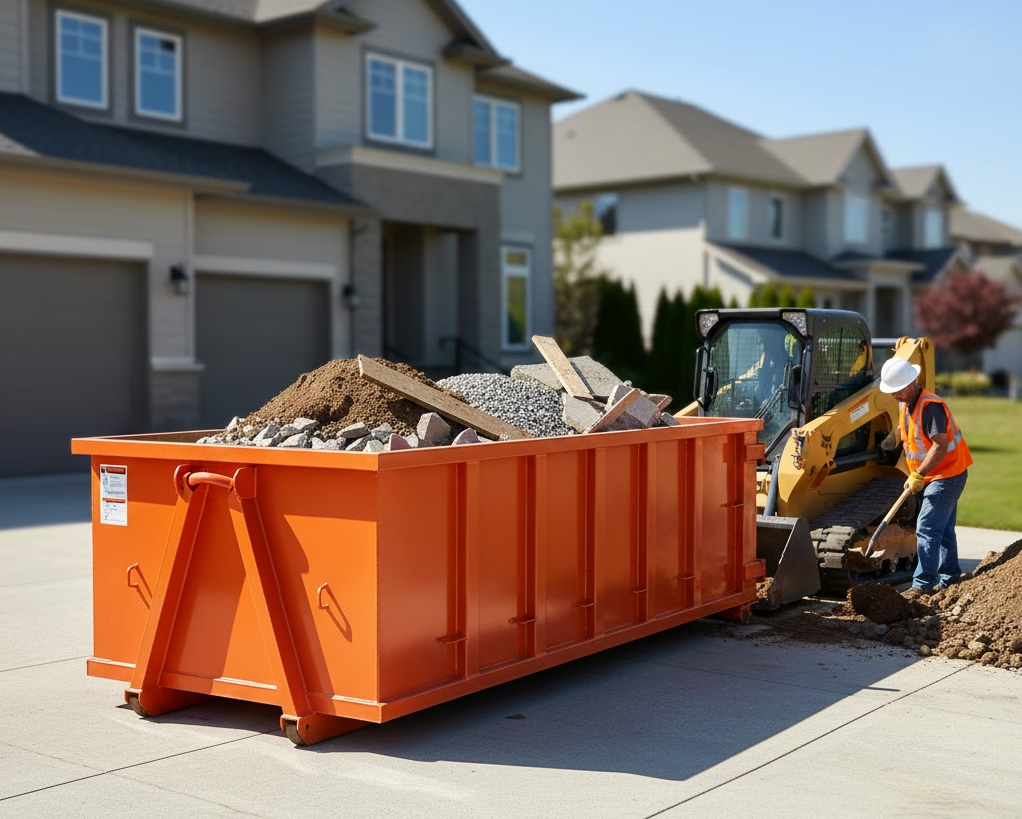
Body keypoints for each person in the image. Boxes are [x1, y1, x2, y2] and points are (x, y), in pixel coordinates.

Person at [879, 358, 973, 596]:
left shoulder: (930, 406)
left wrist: (918, 474)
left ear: (912, 383)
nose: (894, 395)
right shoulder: (906, 402)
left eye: (897, 390)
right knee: (943, 529)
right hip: (933, 475)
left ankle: (922, 585)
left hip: (948, 473)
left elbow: (940, 446)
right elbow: (907, 430)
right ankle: (950, 578)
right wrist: (890, 440)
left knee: (927, 528)